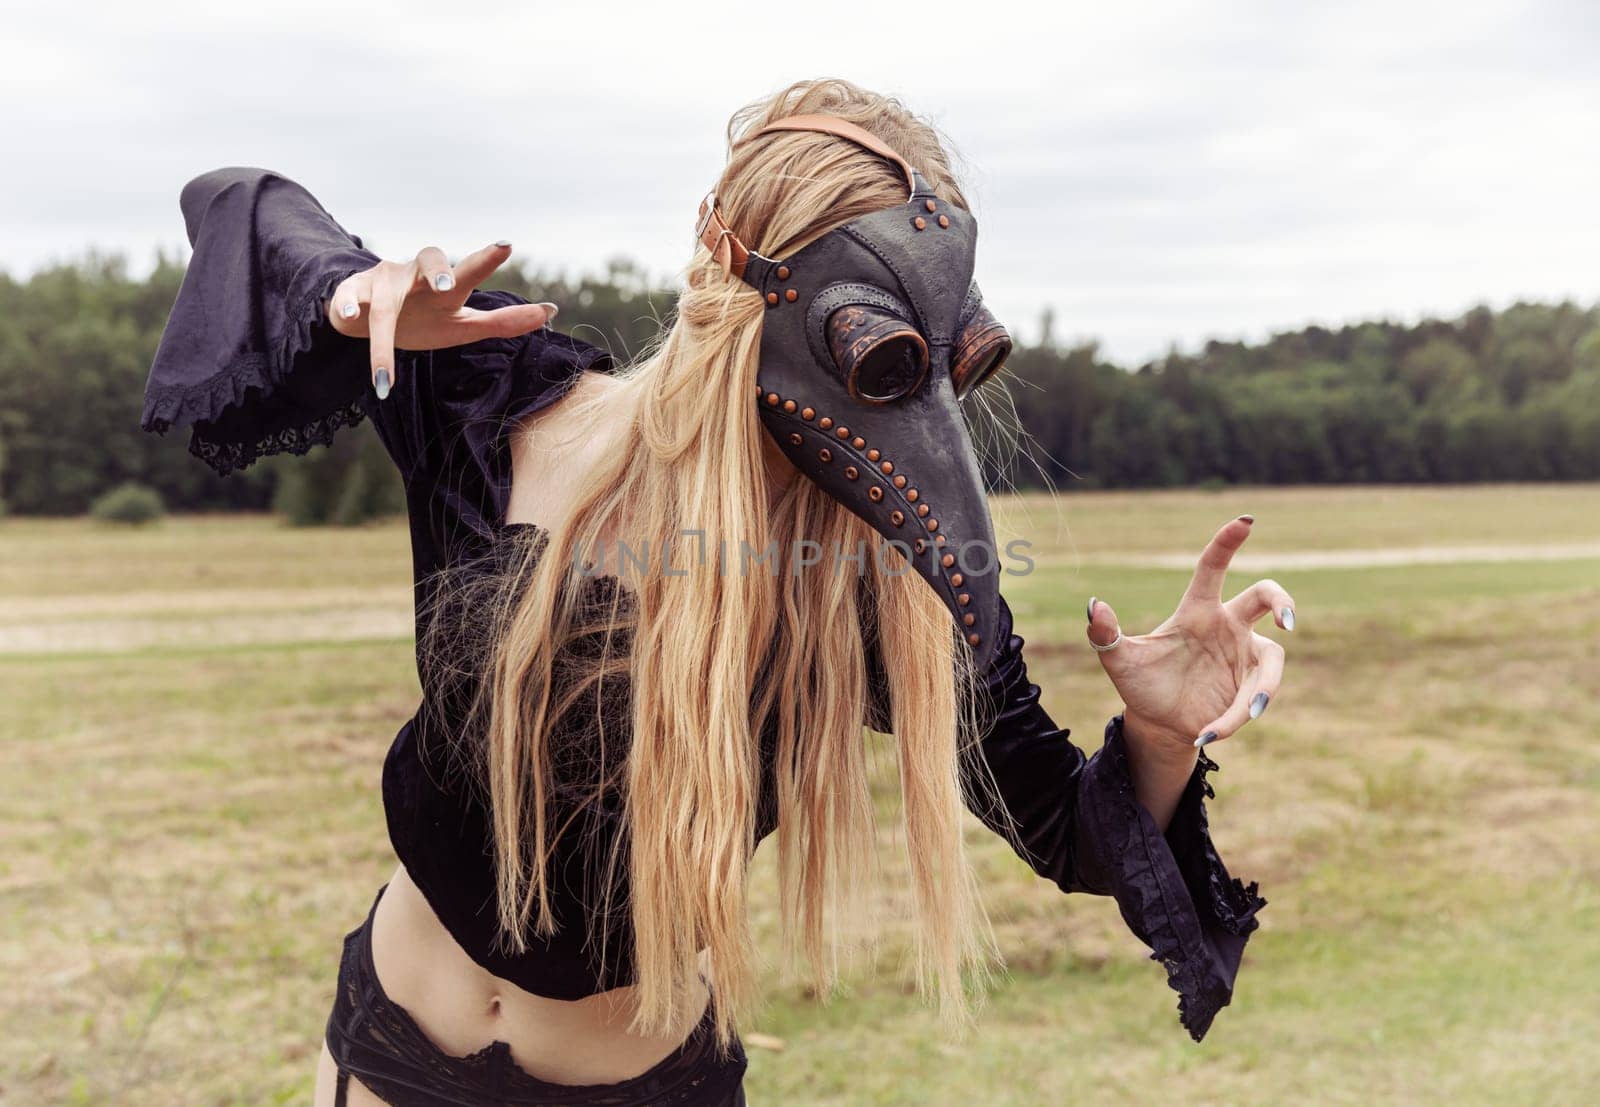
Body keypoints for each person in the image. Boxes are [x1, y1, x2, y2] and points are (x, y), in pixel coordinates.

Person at [141, 79, 1288, 1107]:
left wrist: (1159, 730)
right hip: (390, 1047)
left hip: (640, 1085)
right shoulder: (496, 402)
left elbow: (1073, 834)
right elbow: (237, 198)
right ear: (719, 248)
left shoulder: (883, 582)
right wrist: (356, 292)